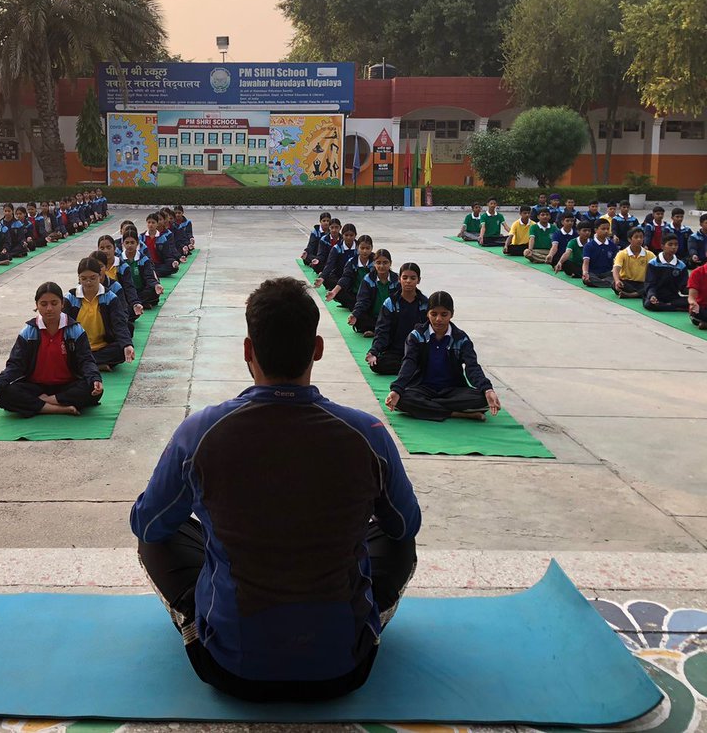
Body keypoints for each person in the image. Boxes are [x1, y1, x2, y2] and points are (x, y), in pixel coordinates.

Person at [130, 277, 421, 702]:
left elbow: (147, 523)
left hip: (231, 667)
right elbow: (406, 523)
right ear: (317, 348)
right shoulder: (367, 433)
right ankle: (360, 620)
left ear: (248, 350)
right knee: (397, 539)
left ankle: (202, 622)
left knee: (158, 534)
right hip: (344, 666)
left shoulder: (201, 433)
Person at [0, 282, 104, 417]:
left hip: (67, 385)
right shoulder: (29, 332)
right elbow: (15, 365)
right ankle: (58, 408)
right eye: (44, 304)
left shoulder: (75, 330)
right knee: (2, 394)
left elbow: (86, 360)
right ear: (37, 306)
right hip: (35, 387)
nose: (49, 308)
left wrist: (95, 379)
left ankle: (44, 403)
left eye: (54, 303)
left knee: (93, 390)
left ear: (62, 304)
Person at [385, 291, 501, 422]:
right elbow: (409, 363)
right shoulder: (416, 336)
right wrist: (397, 389)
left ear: (452, 314)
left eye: (444, 314)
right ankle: (458, 413)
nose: (438, 319)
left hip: (453, 390)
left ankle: (430, 408)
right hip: (422, 388)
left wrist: (487, 389)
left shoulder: (461, 338)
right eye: (434, 314)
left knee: (482, 399)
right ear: (427, 313)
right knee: (401, 400)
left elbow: (472, 367)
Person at [65, 257, 135, 371]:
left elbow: (119, 323)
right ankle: (94, 364)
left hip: (102, 346)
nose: (88, 282)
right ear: (79, 278)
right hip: (77, 347)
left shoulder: (110, 297)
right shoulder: (70, 298)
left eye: (93, 278)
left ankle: (83, 364)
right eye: (84, 278)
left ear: (100, 276)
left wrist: (127, 345)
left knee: (122, 349)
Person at [367, 263, 427, 376]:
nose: (408, 281)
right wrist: (374, 351)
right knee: (376, 364)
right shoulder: (390, 303)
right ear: (399, 279)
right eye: (405, 277)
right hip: (396, 352)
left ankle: (411, 368)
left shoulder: (425, 304)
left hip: (417, 351)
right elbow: (381, 331)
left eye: (413, 278)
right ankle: (412, 369)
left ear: (418, 280)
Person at [349, 249, 399, 335]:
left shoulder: (396, 279)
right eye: (378, 263)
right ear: (374, 263)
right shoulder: (368, 279)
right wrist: (355, 314)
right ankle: (380, 330)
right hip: (373, 316)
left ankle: (376, 331)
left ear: (390, 263)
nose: (381, 266)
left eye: (385, 262)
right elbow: (362, 300)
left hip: (390, 316)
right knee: (360, 319)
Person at [97, 235, 142, 320]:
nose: (105, 251)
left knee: (132, 312)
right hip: (99, 302)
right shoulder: (94, 266)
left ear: (114, 248)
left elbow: (129, 287)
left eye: (108, 247)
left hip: (119, 301)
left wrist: (135, 303)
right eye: (102, 248)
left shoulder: (123, 267)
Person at [643, 235, 690, 312]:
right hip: (656, 296)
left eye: (676, 244)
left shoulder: (681, 265)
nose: (674, 247)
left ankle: (668, 305)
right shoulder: (653, 263)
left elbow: (683, 287)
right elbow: (650, 284)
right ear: (662, 246)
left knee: (692, 302)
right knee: (649, 304)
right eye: (670, 244)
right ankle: (674, 307)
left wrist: (694, 291)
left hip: (673, 297)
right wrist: (652, 295)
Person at [328, 234, 374, 311]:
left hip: (371, 294)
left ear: (372, 248)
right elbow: (346, 277)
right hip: (355, 294)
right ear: (357, 248)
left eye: (367, 248)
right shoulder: (352, 262)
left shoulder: (376, 262)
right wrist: (334, 291)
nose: (365, 251)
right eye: (362, 248)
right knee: (338, 290)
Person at [121, 231, 164, 309]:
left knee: (153, 291)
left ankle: (135, 303)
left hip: (141, 291)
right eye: (127, 243)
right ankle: (140, 303)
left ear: (137, 243)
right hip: (127, 291)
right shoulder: (119, 260)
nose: (129, 245)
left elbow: (149, 277)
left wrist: (156, 285)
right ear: (123, 243)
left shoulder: (143, 259)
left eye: (132, 242)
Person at [612, 227, 652, 298]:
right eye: (636, 237)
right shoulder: (622, 253)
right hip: (627, 282)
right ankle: (639, 294)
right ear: (629, 239)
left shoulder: (649, 254)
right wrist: (617, 280)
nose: (639, 239)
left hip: (642, 283)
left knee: (651, 286)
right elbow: (616, 268)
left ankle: (630, 295)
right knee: (614, 284)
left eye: (641, 237)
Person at [316, 222, 357, 291]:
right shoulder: (336, 248)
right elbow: (330, 264)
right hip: (339, 275)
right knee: (329, 280)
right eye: (346, 235)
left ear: (355, 235)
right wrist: (322, 277)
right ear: (342, 235)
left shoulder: (359, 247)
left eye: (351, 235)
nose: (349, 238)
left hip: (355, 276)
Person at [581, 220, 619, 288]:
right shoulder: (589, 245)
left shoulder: (612, 245)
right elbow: (586, 261)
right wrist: (585, 272)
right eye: (603, 229)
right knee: (587, 279)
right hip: (593, 273)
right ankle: (606, 283)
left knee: (617, 276)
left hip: (607, 273)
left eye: (608, 229)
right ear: (596, 230)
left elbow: (615, 262)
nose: (606, 231)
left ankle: (601, 282)